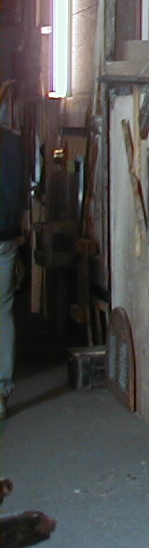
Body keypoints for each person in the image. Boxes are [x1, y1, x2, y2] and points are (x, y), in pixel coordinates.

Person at [0, 82, 28, 420]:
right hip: (6, 237)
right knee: (3, 311)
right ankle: (1, 390)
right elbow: (23, 192)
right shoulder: (14, 144)